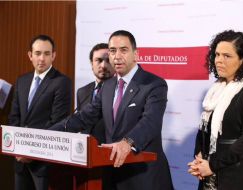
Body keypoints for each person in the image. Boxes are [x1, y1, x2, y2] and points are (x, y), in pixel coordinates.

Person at [51, 30, 174, 190]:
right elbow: (84, 117)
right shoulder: (107, 86)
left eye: (123, 50)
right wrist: (50, 134)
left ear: (135, 54)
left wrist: (128, 142)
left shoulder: (154, 84)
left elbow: (150, 122)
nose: (117, 56)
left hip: (144, 177)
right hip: (112, 175)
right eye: (112, 51)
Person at [188, 30, 243, 190]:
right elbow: (204, 129)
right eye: (217, 55)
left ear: (242, 59)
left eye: (227, 56)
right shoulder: (215, 90)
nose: (219, 60)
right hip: (209, 178)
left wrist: (212, 165)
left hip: (235, 179)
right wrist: (199, 158)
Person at [8, 34, 72, 190]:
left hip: (44, 162)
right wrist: (18, 149)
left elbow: (56, 122)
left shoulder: (62, 82)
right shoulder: (22, 80)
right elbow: (14, 117)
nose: (42, 58)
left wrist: (30, 151)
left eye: (47, 53)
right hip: (19, 160)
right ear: (30, 55)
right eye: (37, 53)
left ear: (53, 56)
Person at [76, 43, 115, 143]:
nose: (103, 65)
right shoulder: (82, 92)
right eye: (98, 60)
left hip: (111, 151)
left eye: (108, 60)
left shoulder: (122, 90)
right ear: (91, 63)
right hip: (86, 151)